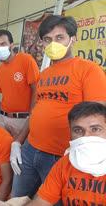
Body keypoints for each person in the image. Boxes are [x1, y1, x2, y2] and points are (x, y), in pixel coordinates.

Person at [11, 15, 106, 198]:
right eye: (47, 39)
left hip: (61, 156)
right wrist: (18, 141)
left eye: (59, 37)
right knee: (17, 199)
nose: (52, 43)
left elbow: (98, 118)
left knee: (51, 201)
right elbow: (36, 110)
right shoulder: (44, 74)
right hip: (31, 149)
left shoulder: (88, 70)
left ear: (72, 39)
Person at [26, 102, 106, 206]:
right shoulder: (65, 163)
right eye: (78, 130)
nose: (86, 136)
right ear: (70, 133)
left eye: (95, 129)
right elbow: (41, 202)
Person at [0, 29, 39, 141]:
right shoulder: (0, 69)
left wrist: (31, 116)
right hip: (3, 117)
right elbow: (6, 94)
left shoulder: (26, 60)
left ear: (12, 45)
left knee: (21, 153)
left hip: (22, 119)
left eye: (3, 44)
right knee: (3, 152)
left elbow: (36, 88)